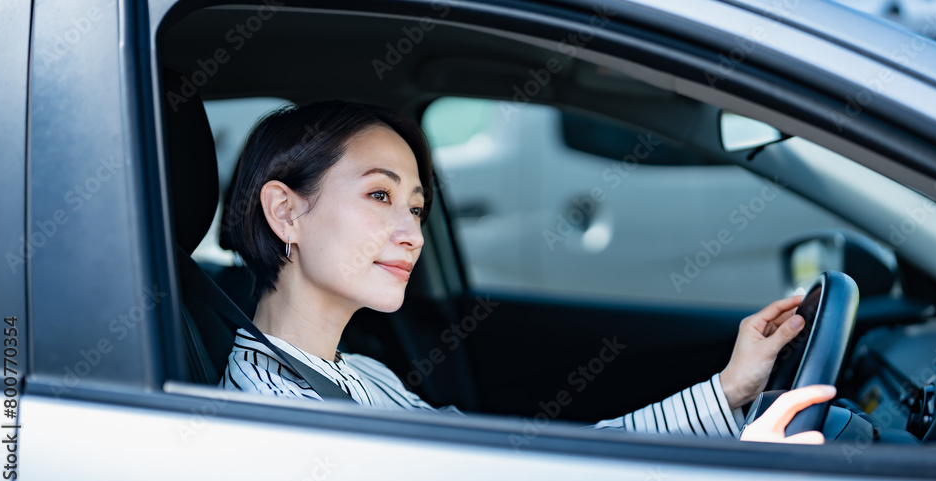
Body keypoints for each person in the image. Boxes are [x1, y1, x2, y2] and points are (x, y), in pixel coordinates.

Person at [218, 100, 834, 444]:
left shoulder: (358, 374)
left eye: (415, 207)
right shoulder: (285, 420)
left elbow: (532, 473)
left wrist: (728, 391)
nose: (411, 233)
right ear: (286, 212)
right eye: (380, 196)